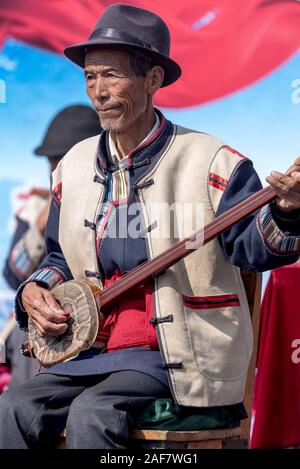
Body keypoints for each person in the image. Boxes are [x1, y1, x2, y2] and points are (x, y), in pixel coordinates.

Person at [0, 4, 300, 449]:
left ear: (153, 80)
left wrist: (287, 212)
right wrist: (35, 290)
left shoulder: (213, 163)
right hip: (93, 349)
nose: (98, 91)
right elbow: (59, 258)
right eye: (90, 77)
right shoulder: (73, 168)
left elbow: (252, 250)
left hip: (177, 351)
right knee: (10, 407)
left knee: (93, 413)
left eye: (112, 76)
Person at [1, 104, 101, 388]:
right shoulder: (33, 209)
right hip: (41, 320)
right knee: (27, 337)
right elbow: (12, 274)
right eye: (53, 163)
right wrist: (41, 227)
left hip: (92, 318)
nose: (57, 171)